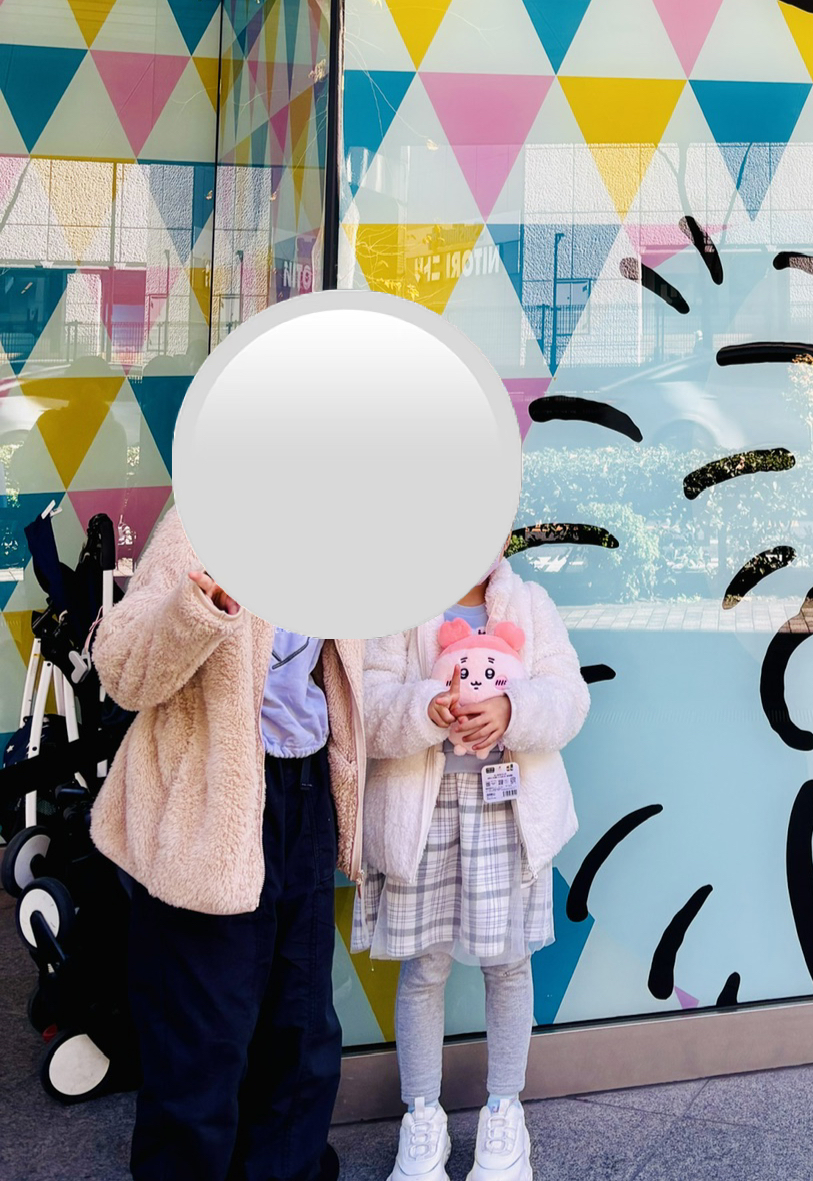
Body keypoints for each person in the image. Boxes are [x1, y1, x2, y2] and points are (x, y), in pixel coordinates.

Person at [90, 504, 364, 1181]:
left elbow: (349, 685)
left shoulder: (344, 540)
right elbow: (121, 670)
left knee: (302, 1033)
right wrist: (198, 609)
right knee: (202, 1042)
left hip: (304, 794)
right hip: (210, 802)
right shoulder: (203, 523)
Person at [358, 553, 589, 1181]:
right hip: (422, 810)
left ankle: (504, 1113)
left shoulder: (529, 602)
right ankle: (421, 1118)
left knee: (509, 966)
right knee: (423, 968)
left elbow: (570, 697)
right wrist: (425, 708)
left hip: (506, 809)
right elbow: (367, 703)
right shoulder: (400, 603)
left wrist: (513, 710)